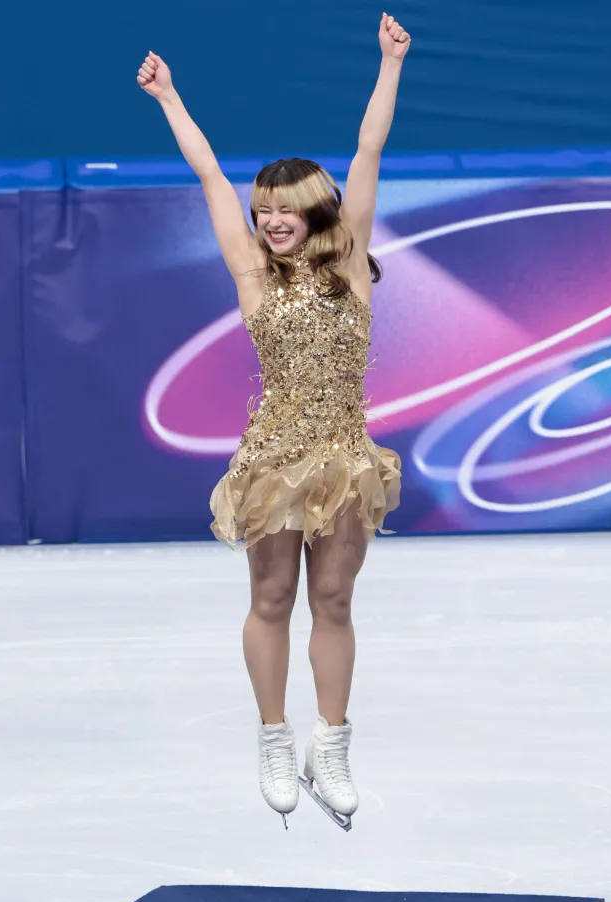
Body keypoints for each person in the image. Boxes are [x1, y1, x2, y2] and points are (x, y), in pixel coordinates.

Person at [136, 14, 410, 829]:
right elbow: (211, 176)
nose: (270, 219)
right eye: (264, 209)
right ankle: (273, 738)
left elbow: (368, 152)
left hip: (345, 457)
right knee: (272, 597)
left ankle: (333, 740)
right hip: (273, 458)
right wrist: (170, 98)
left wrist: (390, 64)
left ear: (318, 211)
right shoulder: (252, 274)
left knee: (333, 600)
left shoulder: (354, 265)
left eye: (285, 208)